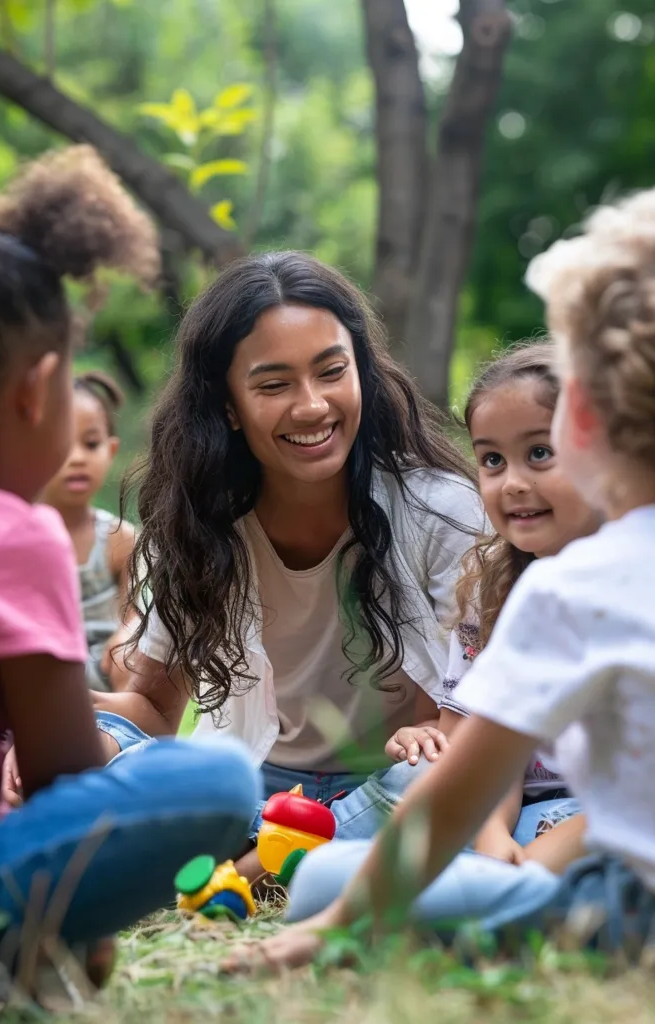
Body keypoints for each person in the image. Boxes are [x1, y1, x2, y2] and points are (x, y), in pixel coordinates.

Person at [228, 187, 655, 970]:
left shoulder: (573, 590)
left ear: (582, 417)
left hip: (623, 904)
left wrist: (334, 926)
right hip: (556, 839)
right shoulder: (524, 582)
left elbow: (457, 791)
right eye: (491, 458)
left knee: (324, 879)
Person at [0, 147, 258, 995]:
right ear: (40, 389)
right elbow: (65, 779)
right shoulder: (16, 535)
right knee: (219, 776)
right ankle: (2, 960)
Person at [93, 251, 485, 855]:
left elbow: (460, 724)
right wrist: (77, 731)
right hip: (250, 788)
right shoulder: (198, 522)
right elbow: (149, 705)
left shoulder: (442, 512)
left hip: (387, 786)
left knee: (441, 771)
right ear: (228, 406)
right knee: (98, 746)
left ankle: (263, 853)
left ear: (363, 372)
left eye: (331, 371)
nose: (311, 406)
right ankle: (279, 846)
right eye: (274, 385)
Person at [327, 343, 598, 858]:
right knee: (425, 778)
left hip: (607, 817)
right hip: (515, 811)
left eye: (540, 453)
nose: (513, 483)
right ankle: (298, 849)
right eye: (492, 460)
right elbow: (471, 748)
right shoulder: (493, 585)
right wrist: (490, 836)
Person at [41, 371, 136, 691]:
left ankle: (126, 734)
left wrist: (126, 635)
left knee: (136, 656)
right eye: (61, 445)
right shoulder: (15, 537)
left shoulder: (117, 538)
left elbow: (136, 615)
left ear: (110, 451)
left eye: (91, 444)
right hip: (38, 671)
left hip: (106, 669)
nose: (78, 458)